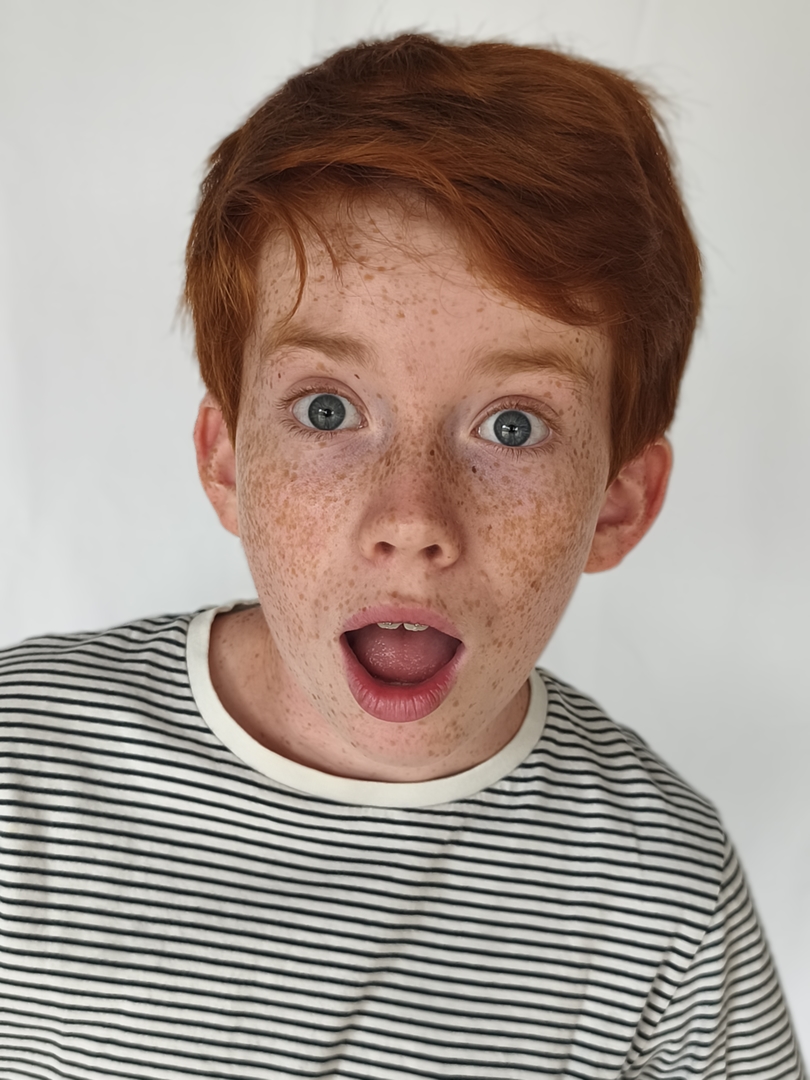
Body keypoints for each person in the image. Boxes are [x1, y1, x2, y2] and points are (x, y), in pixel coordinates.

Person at [0, 32, 804, 1079]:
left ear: (617, 503)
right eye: (328, 410)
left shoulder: (666, 897)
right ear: (227, 461)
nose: (413, 517)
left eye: (513, 426)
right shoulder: (21, 767)